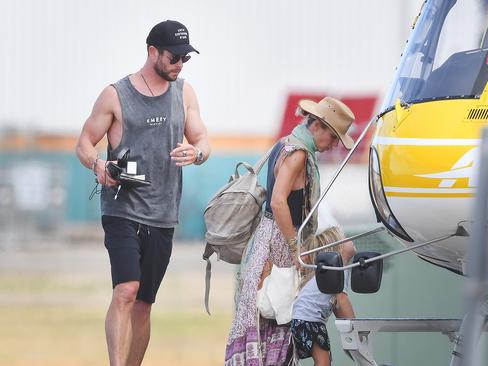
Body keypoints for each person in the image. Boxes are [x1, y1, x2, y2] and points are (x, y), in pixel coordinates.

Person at [75, 20, 210, 366]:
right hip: (121, 210)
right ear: (152, 52)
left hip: (164, 214)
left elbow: (203, 141)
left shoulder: (185, 93)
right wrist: (98, 166)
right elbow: (84, 143)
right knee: (126, 290)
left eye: (185, 59)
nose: (180, 64)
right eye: (174, 57)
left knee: (144, 304)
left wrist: (198, 154)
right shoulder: (116, 95)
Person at [224, 97, 356, 365]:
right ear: (317, 125)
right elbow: (278, 201)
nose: (333, 145)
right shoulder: (298, 153)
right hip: (279, 245)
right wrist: (295, 248)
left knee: (271, 325)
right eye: (333, 137)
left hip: (269, 239)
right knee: (278, 320)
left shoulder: (285, 143)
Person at [291, 226, 356, 366]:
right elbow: (342, 300)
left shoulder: (330, 271)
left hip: (302, 320)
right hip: (309, 320)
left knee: (325, 361)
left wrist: (345, 322)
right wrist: (355, 326)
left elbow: (338, 308)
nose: (350, 239)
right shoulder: (338, 269)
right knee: (323, 362)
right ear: (338, 248)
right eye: (345, 238)